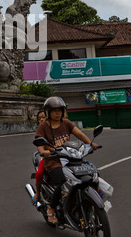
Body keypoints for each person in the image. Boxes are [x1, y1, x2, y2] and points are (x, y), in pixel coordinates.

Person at [33, 96, 99, 224]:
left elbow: (79, 134)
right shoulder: (43, 126)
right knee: (64, 181)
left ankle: (90, 201)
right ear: (48, 112)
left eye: (60, 110)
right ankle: (51, 209)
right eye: (54, 110)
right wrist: (43, 152)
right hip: (53, 161)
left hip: (70, 158)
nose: (57, 113)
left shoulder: (66, 123)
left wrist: (90, 143)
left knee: (90, 175)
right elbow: (39, 144)